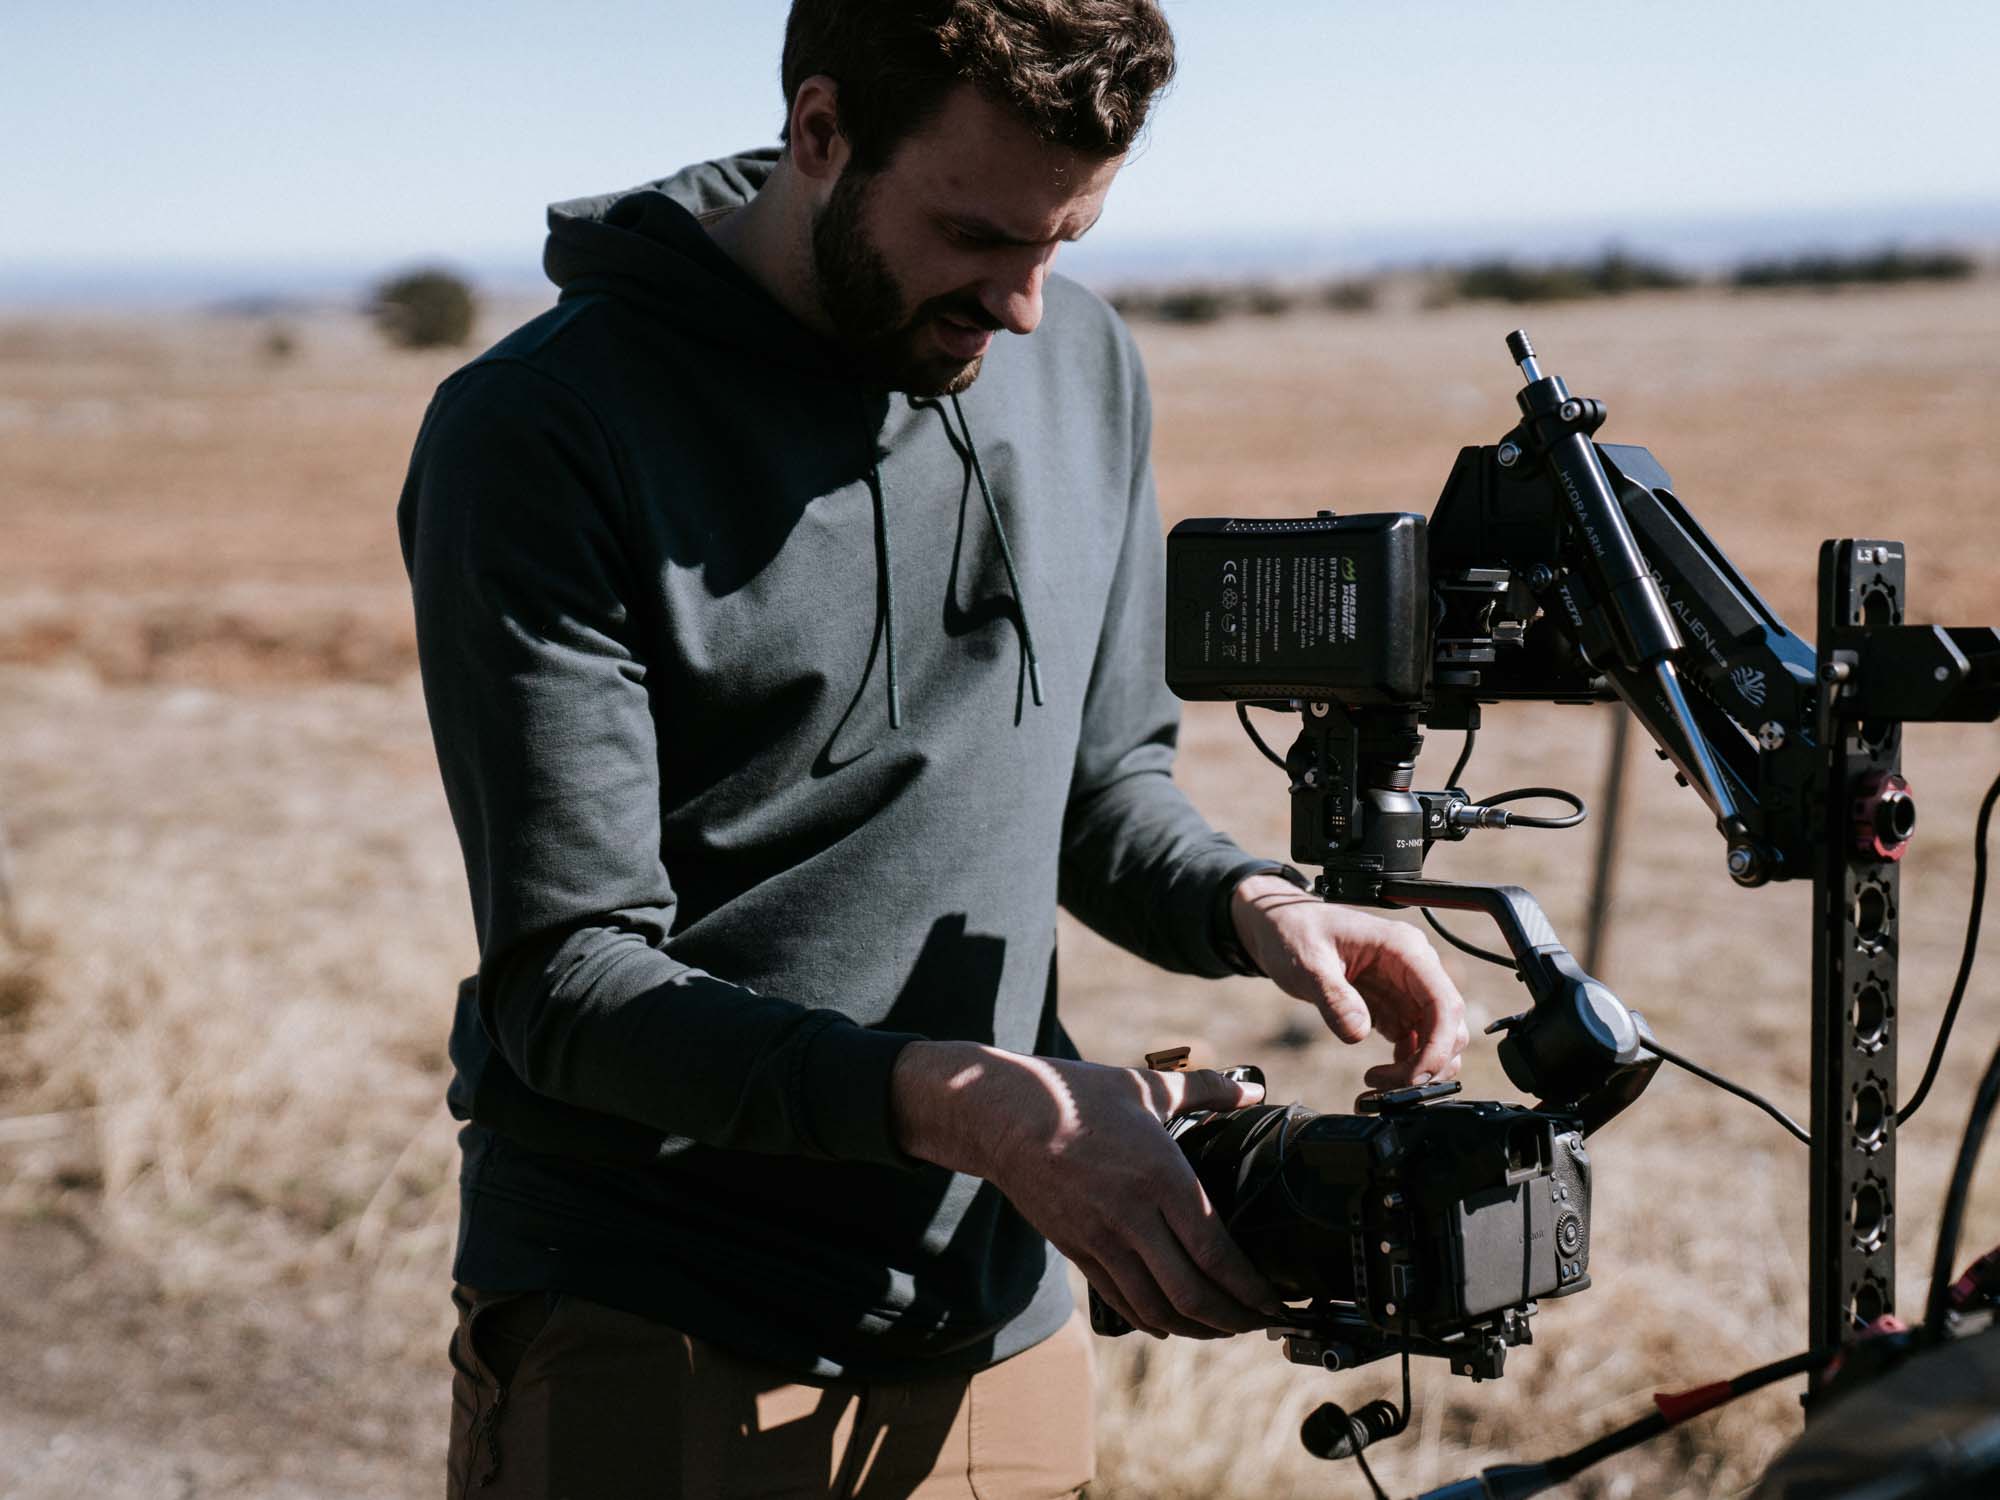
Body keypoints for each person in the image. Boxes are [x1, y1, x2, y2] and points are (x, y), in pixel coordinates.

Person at [398, 2, 1470, 1495]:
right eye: (977, 235)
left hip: (1002, 1323)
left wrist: (1262, 909)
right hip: (660, 1320)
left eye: (1064, 241)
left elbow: (1100, 792)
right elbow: (569, 989)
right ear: (821, 134)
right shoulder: (542, 429)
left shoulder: (1081, 361)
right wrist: (986, 1108)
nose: (1023, 307)